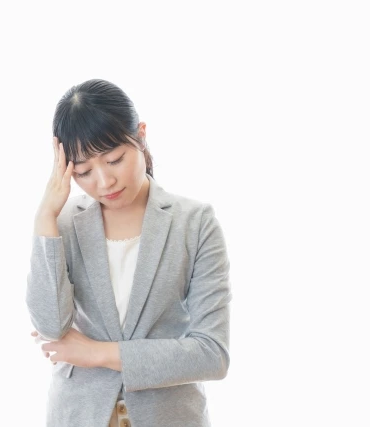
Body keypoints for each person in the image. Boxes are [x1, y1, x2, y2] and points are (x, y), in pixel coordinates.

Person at [26, 78, 232, 427]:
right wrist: (45, 217)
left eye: (115, 159)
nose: (104, 182)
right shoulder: (63, 224)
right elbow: (50, 326)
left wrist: (97, 353)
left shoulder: (195, 223)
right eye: (84, 171)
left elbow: (212, 354)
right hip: (78, 416)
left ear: (141, 135)